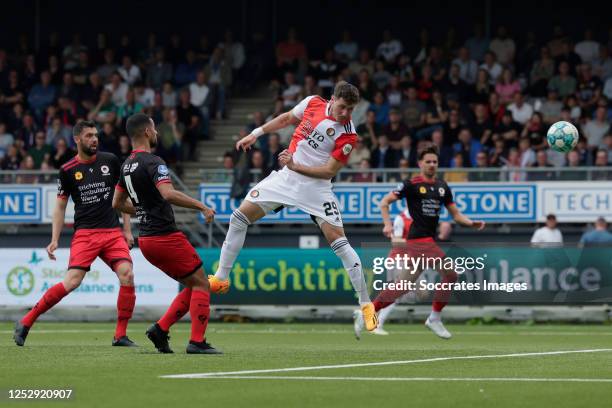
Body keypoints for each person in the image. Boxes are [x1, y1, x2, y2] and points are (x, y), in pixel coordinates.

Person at [208, 82, 379, 332]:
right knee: (238, 218)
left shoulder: (349, 134)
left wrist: (296, 166)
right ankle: (221, 279)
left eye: (351, 110)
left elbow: (329, 171)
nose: (345, 114)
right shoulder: (312, 103)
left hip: (316, 187)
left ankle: (366, 305)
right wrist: (255, 134)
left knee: (340, 244)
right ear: (332, 99)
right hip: (286, 179)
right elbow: (287, 118)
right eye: (343, 107)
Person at [14, 120, 136, 347]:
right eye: (89, 135)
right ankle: (26, 321)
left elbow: (122, 199)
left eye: (96, 135)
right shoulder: (67, 170)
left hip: (111, 232)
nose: (94, 139)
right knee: (71, 282)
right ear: (77, 139)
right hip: (85, 234)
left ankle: (120, 335)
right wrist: (54, 239)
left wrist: (127, 231)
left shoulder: (110, 161)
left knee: (127, 275)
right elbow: (60, 206)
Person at [112, 113, 220, 355]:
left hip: (147, 241)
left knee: (192, 284)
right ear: (148, 132)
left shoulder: (126, 166)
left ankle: (160, 329)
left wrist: (142, 209)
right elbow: (168, 194)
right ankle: (197, 342)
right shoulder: (154, 162)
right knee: (202, 283)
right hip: (165, 237)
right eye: (155, 129)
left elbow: (116, 203)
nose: (158, 133)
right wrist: (201, 206)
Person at [354, 145, 486, 340]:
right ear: (420, 164)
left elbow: (456, 215)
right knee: (451, 273)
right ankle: (434, 318)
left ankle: (367, 312)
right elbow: (384, 202)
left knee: (403, 285)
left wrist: (471, 223)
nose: (432, 165)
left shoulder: (443, 187)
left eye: (435, 161)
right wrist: (388, 225)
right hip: (419, 240)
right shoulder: (411, 184)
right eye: (428, 161)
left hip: (426, 240)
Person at [369, 209, 413, 336]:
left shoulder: (420, 218)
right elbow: (396, 241)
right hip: (397, 259)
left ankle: (368, 316)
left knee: (403, 293)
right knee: (398, 292)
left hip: (410, 260)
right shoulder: (401, 219)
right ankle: (374, 322)